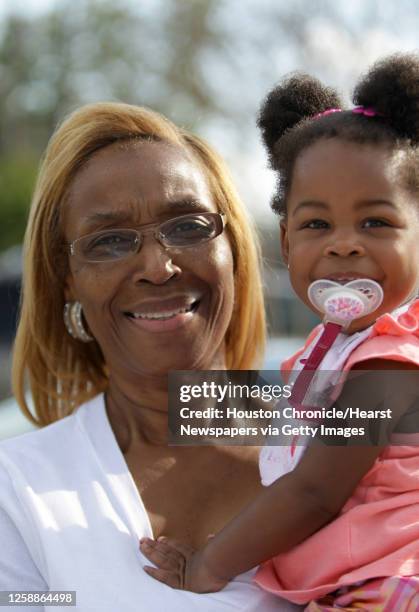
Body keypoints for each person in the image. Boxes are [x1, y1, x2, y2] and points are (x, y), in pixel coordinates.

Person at [140, 53, 419, 610]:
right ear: (287, 242)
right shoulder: (331, 349)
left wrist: (210, 562)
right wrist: (147, 404)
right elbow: (254, 412)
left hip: (391, 583)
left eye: (376, 222)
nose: (344, 243)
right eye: (317, 224)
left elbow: (315, 490)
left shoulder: (388, 365)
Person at [0, 102, 301, 611]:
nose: (158, 268)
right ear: (68, 282)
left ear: (234, 250)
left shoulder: (346, 427)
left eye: (188, 226)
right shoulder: (19, 490)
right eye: (110, 241)